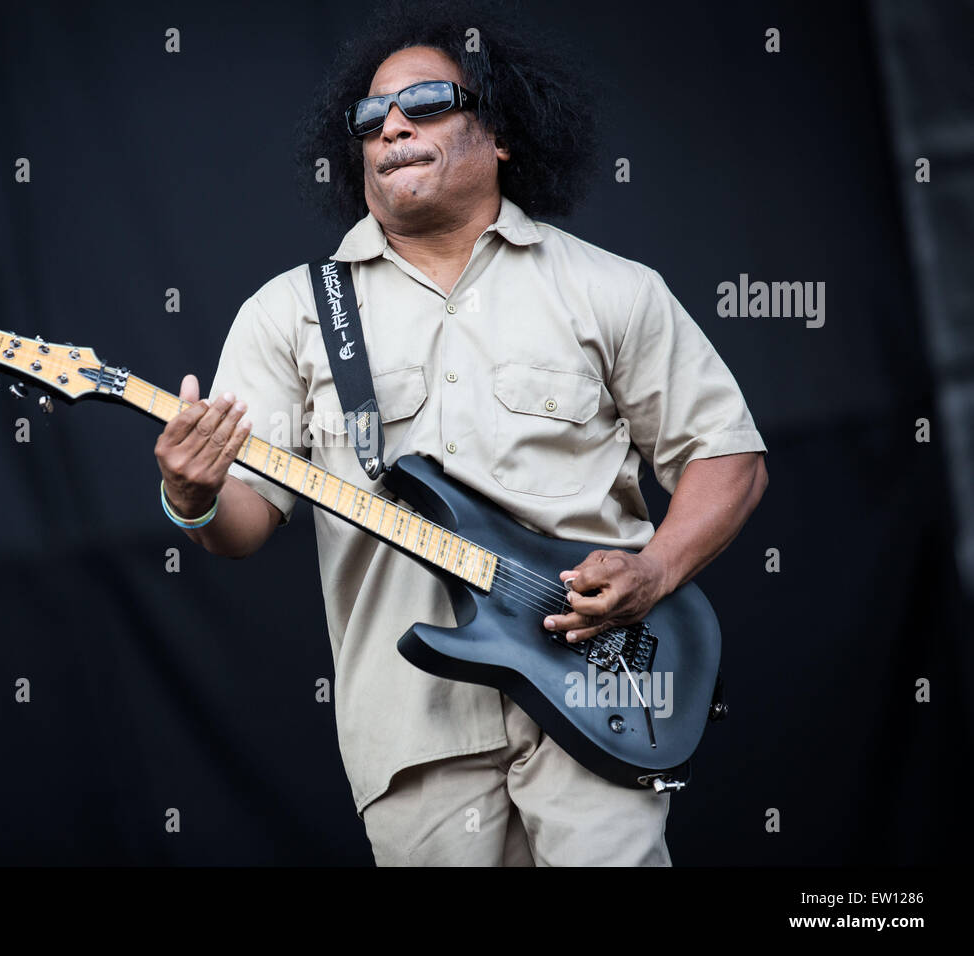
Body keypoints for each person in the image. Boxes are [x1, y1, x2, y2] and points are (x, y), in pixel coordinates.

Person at [153, 4, 768, 866]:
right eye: (370, 118)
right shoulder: (290, 313)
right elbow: (244, 526)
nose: (392, 126)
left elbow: (726, 452)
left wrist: (654, 567)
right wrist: (193, 495)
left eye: (427, 104)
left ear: (501, 132)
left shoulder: (610, 288)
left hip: (601, 688)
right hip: (412, 731)